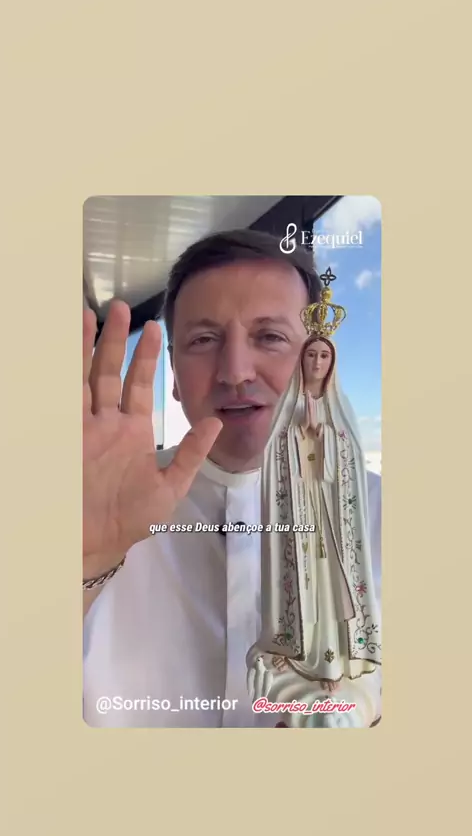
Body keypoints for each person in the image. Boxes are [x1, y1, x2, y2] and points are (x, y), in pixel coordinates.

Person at [83, 229, 381, 727]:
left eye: (270, 337)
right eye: (204, 340)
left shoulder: (378, 512)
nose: (236, 371)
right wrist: (82, 566)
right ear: (174, 375)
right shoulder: (96, 503)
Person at [246, 278, 381, 727]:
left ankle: (334, 661)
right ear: (301, 359)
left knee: (330, 585)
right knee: (300, 582)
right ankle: (294, 650)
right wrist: (299, 437)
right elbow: (276, 459)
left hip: (332, 519)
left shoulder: (341, 411)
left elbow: (348, 460)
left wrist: (326, 440)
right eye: (311, 355)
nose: (318, 362)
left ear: (333, 361)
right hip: (299, 515)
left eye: (324, 356)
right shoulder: (288, 412)